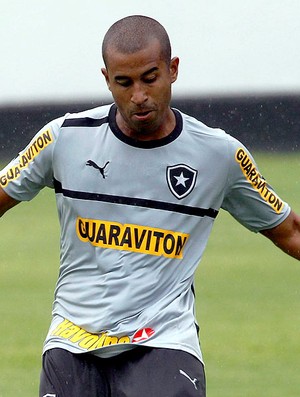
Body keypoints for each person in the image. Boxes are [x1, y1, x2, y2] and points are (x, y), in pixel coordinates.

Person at [1, 15, 300, 397]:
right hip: (73, 340)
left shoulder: (218, 155)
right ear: (107, 79)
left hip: (163, 341)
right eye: (124, 83)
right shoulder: (65, 139)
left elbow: (289, 229)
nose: (138, 95)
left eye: (150, 78)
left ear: (172, 70)